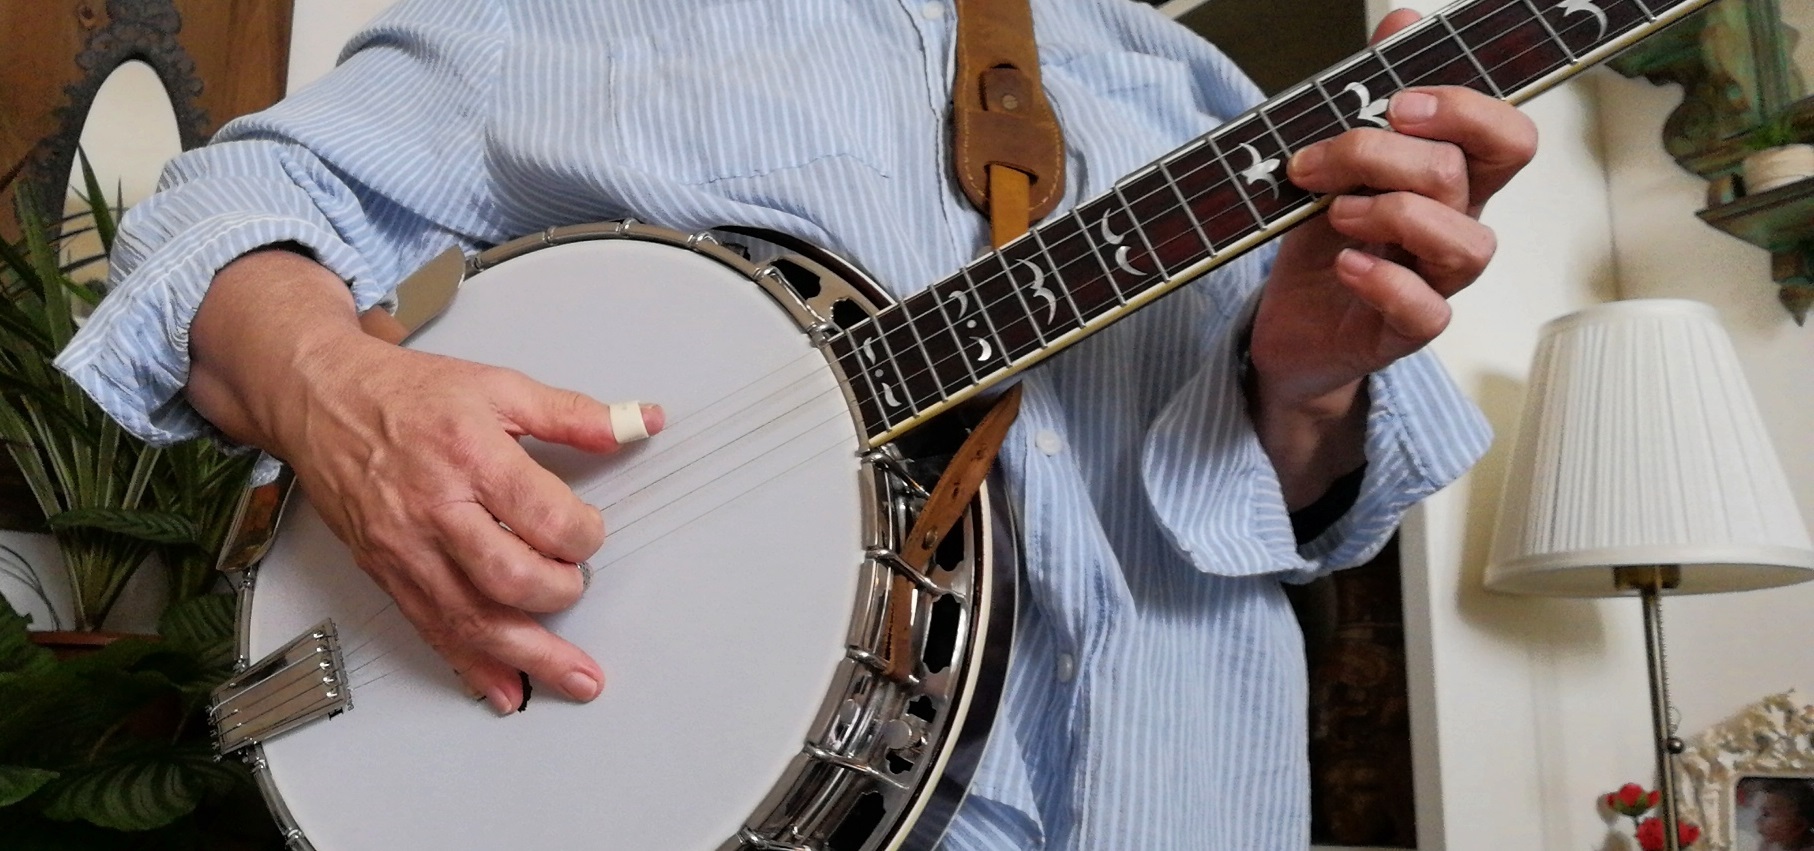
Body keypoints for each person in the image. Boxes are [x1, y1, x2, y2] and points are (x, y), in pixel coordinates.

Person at [55, 1, 1536, 848]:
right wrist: (344, 395)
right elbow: (213, 218)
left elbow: (1293, 504)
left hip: (1182, 790)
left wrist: (1307, 379)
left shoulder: (1186, 78)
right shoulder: (559, 26)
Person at [1749, 778, 1814, 851]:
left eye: (1766, 814)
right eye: (1758, 813)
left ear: (1798, 825)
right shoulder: (1768, 844)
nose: (1757, 820)